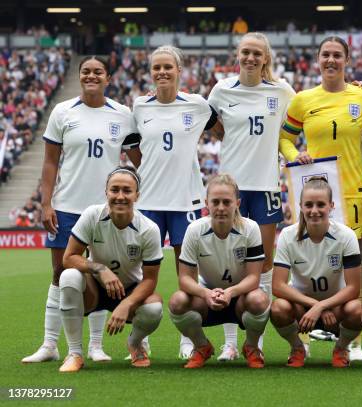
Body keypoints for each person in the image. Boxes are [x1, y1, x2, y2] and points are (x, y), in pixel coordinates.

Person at [22, 56, 140, 364]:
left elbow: (140, 159)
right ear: (80, 76)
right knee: (60, 273)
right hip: (67, 206)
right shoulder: (62, 111)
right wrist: (46, 203)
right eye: (85, 71)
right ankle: (50, 345)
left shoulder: (123, 114)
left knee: (101, 274)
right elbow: (50, 162)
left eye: (97, 71)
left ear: (108, 78)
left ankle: (96, 346)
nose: (91, 75)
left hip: (107, 210)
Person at [279, 36, 362, 361]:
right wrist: (297, 156)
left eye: (337, 55)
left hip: (351, 193)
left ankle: (354, 342)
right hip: (314, 197)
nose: (331, 60)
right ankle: (303, 337)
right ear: (318, 59)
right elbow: (284, 138)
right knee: (307, 261)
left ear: (347, 60)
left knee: (357, 267)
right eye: (326, 55)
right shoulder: (303, 100)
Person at [207, 32, 295, 361]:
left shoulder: (282, 91)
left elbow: (303, 116)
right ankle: (231, 342)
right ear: (237, 55)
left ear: (266, 58)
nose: (250, 58)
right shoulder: (221, 90)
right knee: (230, 265)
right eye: (245, 52)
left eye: (257, 53)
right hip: (232, 190)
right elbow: (214, 126)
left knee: (266, 263)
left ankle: (256, 340)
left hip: (268, 186)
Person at [131, 45, 223, 359]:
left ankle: (189, 335)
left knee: (188, 272)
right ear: (151, 72)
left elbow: (225, 131)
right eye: (156, 67)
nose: (162, 72)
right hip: (149, 201)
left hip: (185, 200)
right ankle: (141, 338)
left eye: (167, 67)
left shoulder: (197, 104)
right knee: (141, 275)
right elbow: (134, 147)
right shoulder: (140, 106)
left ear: (179, 70)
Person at [58, 166, 164, 372]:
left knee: (154, 308)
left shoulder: (149, 229)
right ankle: (74, 354)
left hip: (129, 290)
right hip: (95, 290)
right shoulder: (92, 215)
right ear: (106, 192)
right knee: (69, 277)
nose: (120, 196)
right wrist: (99, 268)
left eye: (127, 190)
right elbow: (69, 258)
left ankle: (135, 343)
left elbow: (150, 280)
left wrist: (127, 303)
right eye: (114, 190)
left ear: (137, 195)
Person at [168, 174, 270, 369]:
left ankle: (251, 346)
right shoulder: (194, 230)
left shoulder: (251, 229)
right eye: (215, 202)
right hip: (208, 299)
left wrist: (230, 292)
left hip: (241, 298)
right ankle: (202, 346)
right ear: (207, 203)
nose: (221, 207)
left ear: (237, 203)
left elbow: (254, 278)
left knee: (259, 300)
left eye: (227, 202)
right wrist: (206, 294)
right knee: (177, 301)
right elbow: (184, 279)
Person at [270, 177, 362, 368]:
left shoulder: (346, 235)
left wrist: (323, 306)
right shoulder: (288, 235)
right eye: (309, 205)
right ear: (301, 206)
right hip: (301, 308)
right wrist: (315, 305)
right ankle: (297, 348)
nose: (314, 211)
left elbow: (354, 288)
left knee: (359, 309)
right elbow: (277, 286)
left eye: (321, 205)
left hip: (336, 308)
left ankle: (341, 348)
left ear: (331, 206)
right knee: (278, 308)